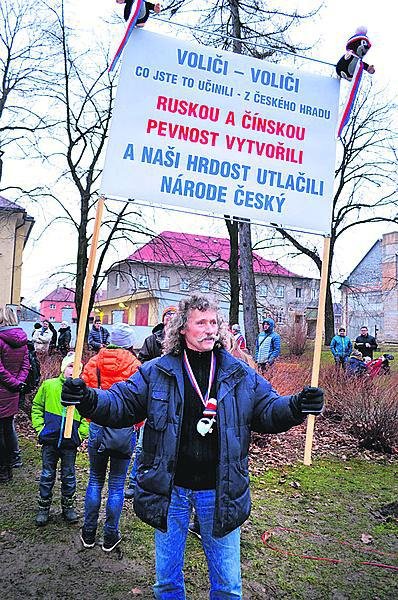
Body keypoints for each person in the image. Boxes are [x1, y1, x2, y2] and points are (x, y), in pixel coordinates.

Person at [61, 294, 324, 598]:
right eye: (202, 322)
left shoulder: (238, 373)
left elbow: (267, 410)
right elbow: (121, 404)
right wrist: (88, 399)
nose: (210, 329)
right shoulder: (157, 372)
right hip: (170, 490)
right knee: (167, 582)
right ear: (182, 328)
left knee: (228, 585)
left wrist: (296, 406)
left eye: (214, 322)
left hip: (220, 490)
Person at [80, 323, 141, 552]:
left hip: (98, 425)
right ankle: (110, 536)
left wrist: (91, 421)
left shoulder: (94, 361)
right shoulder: (135, 366)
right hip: (124, 430)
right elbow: (141, 403)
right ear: (129, 343)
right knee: (117, 485)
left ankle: (88, 533)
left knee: (95, 479)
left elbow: (84, 397)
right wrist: (135, 426)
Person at [125, 305, 177, 499]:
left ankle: (165, 485)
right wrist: (158, 368)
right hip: (154, 397)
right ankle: (134, 481)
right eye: (167, 315)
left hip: (174, 400)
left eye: (173, 315)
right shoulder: (151, 340)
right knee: (142, 445)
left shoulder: (183, 341)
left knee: (169, 445)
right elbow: (142, 362)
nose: (170, 318)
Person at [31, 353, 89, 526]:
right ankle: (43, 508)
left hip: (69, 443)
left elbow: (88, 417)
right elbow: (36, 407)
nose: (73, 371)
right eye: (71, 366)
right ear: (64, 368)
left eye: (78, 368)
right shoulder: (49, 386)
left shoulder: (82, 391)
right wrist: (41, 429)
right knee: (47, 474)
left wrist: (79, 435)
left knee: (69, 475)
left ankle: (68, 507)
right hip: (50, 440)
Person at [0, 306, 29, 483]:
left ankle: (4, 471)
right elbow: (26, 366)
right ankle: (13, 460)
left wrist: (12, 383)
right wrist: (18, 383)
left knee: (1, 432)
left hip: (4, 388)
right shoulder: (23, 341)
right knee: (8, 427)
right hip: (12, 391)